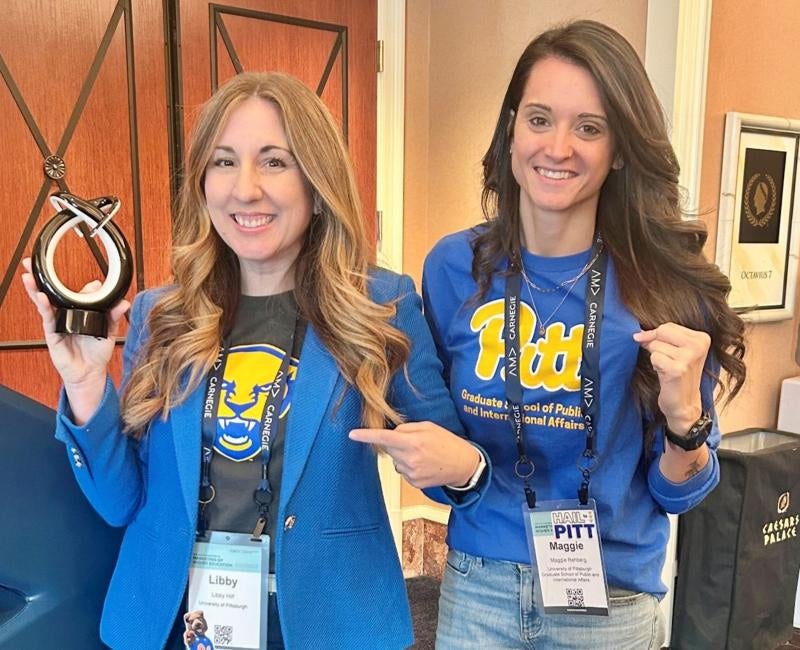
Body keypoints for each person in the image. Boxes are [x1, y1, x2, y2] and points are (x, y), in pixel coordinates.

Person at [21, 71, 487, 649]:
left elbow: (452, 477)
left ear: (317, 186)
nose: (245, 189)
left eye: (274, 162)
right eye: (223, 162)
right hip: (177, 623)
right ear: (202, 183)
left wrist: (462, 467)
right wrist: (87, 381)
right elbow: (122, 503)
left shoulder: (380, 304)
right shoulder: (160, 314)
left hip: (327, 621)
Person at [422, 20, 746, 650]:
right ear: (512, 129)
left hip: (612, 597)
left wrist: (687, 423)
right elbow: (446, 455)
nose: (558, 146)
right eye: (539, 119)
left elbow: (678, 493)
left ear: (619, 149)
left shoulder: (666, 289)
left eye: (589, 127)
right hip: (479, 582)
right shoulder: (453, 267)